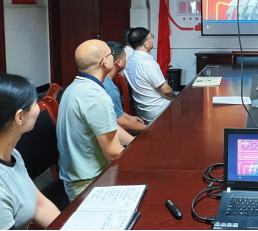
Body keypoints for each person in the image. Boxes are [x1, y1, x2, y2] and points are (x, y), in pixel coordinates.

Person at [0, 74, 61, 230]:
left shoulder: (10, 153)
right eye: (35, 103)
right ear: (20, 117)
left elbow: (39, 204)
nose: (39, 107)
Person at [57, 40, 133, 202]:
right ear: (105, 62)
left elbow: (107, 126)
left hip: (77, 176)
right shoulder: (96, 96)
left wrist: (134, 143)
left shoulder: (75, 86)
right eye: (111, 54)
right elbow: (113, 152)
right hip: (89, 183)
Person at [124, 28, 175, 124]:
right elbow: (166, 91)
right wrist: (175, 99)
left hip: (143, 112)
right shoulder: (148, 64)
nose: (153, 40)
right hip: (158, 111)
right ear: (146, 43)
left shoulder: (128, 61)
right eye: (151, 37)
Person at [104, 41, 147, 135]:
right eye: (125, 57)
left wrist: (129, 117)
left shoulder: (104, 80)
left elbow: (114, 111)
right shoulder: (110, 89)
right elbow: (121, 123)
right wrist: (150, 128)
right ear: (119, 62)